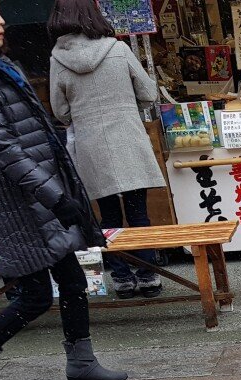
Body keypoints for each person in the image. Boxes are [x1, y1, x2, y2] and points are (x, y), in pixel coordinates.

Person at [0, 0, 126, 380]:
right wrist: (55, 197)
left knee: (72, 280)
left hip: (36, 195)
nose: (1, 19)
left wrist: (57, 191)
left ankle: (81, 362)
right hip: (15, 202)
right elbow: (3, 147)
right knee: (36, 294)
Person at [48, 0, 165, 299]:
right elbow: (149, 93)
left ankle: (123, 278)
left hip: (91, 144)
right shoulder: (118, 49)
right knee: (139, 213)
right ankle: (148, 274)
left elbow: (60, 111)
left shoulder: (58, 60)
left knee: (108, 217)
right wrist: (126, 107)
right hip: (127, 136)